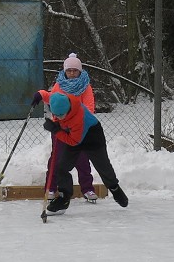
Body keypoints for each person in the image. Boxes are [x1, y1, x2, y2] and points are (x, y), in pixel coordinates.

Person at [31, 91, 128, 215]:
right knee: (62, 167)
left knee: (102, 166)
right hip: (72, 134)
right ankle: (64, 199)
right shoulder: (58, 100)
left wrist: (56, 130)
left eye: (61, 115)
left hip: (92, 136)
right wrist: (38, 95)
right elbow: (47, 95)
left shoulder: (78, 118)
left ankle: (115, 188)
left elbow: (73, 141)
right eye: (56, 115)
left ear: (68, 110)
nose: (59, 118)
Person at [34, 53, 99, 202]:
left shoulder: (85, 87)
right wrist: (41, 96)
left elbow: (89, 107)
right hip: (61, 126)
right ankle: (50, 188)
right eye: (69, 70)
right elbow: (53, 100)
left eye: (74, 70)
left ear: (79, 71)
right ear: (64, 71)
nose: (71, 73)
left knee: (82, 158)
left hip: (79, 128)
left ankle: (87, 188)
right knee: (57, 158)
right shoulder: (59, 85)